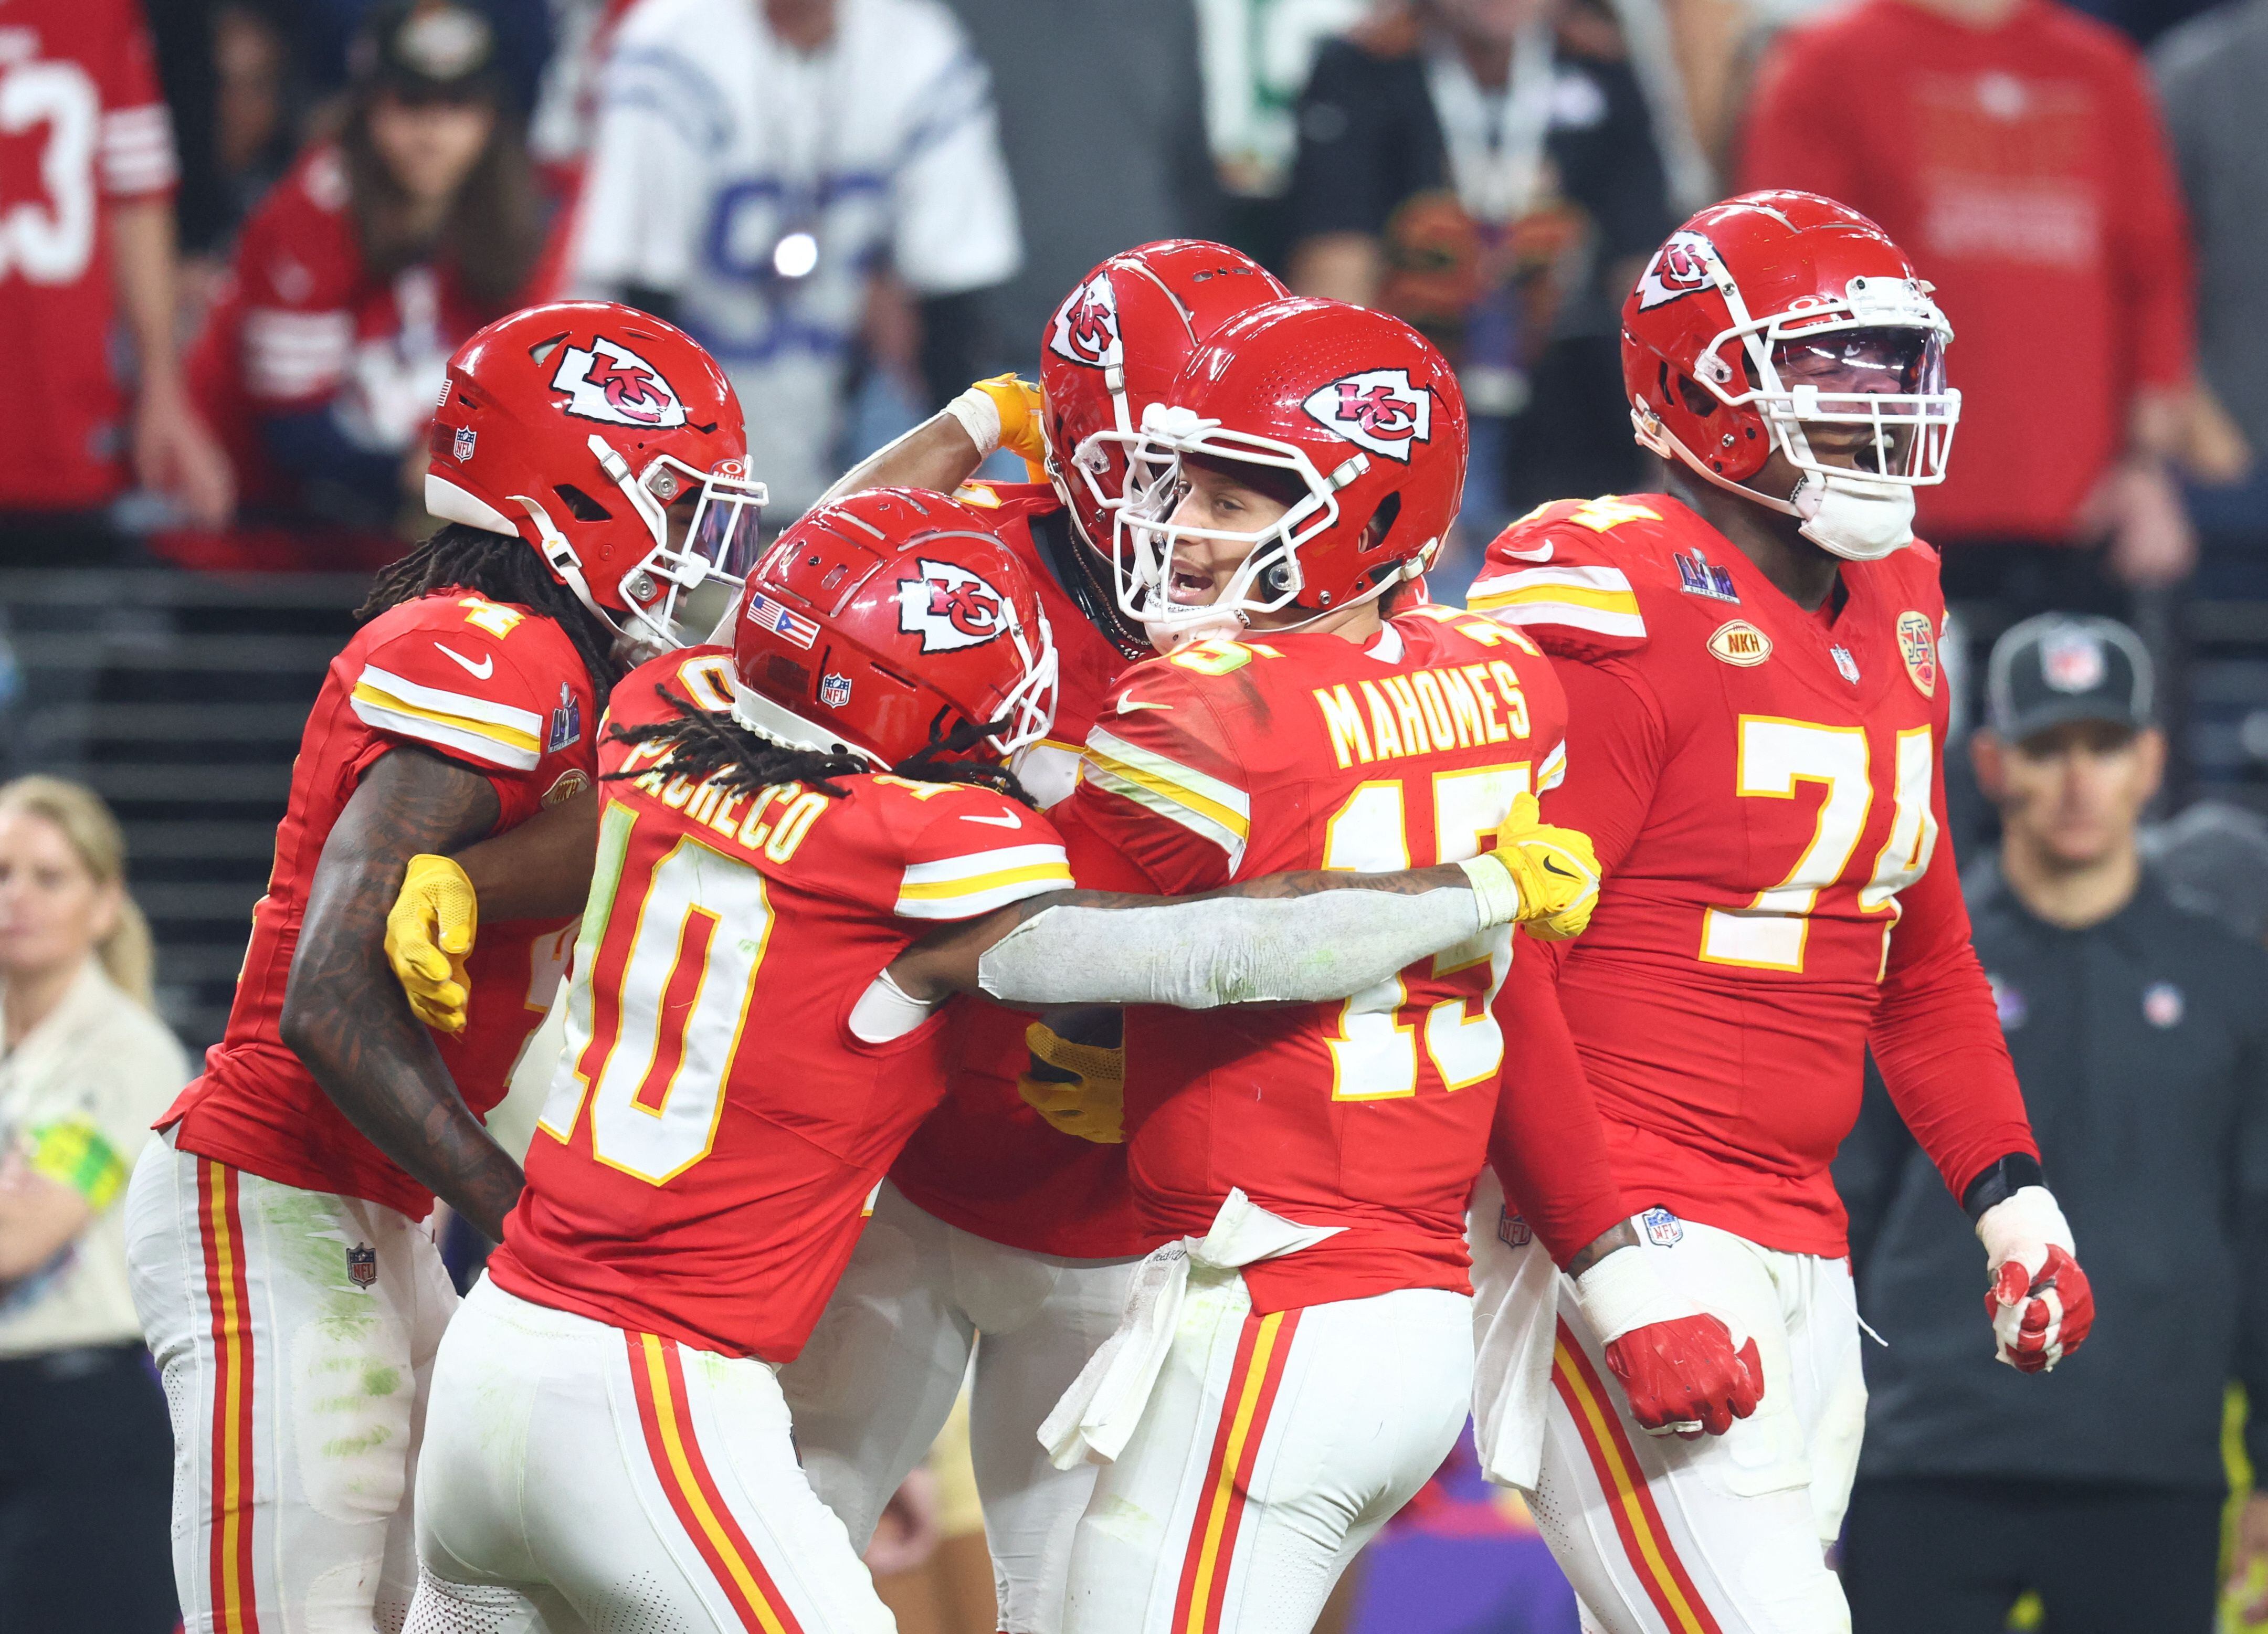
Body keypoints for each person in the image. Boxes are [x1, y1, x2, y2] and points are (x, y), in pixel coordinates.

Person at [391, 484, 1605, 1631]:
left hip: (497, 1349)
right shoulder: (918, 850)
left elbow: (800, 584)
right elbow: (1214, 950)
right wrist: (1474, 886)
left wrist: (967, 427)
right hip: (653, 1394)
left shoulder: (662, 715)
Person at [1037, 294, 1759, 1631]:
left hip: (1265, 1304)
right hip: (1409, 1314)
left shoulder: (1195, 719)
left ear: (1370, 514)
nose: (1187, 526)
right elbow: (1516, 996)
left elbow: (1002, 929)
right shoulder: (1501, 682)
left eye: (1243, 495)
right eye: (1186, 480)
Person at [1461, 192, 2091, 1633]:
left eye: (1892, 368)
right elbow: (1495, 966)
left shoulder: (1905, 595)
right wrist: (1615, 1268)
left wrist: (2012, 1199)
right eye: (1830, 367)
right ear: (1699, 384)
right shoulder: (1609, 592)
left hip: (1804, 1239)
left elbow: (1918, 962)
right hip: (1624, 1210)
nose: (1877, 408)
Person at [122, 299, 764, 1634]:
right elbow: (328, 995)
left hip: (379, 1210)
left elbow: (758, 704)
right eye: (680, 497)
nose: (701, 539)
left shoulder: (567, 665)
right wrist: (529, 1218)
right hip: (277, 1193)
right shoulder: (486, 649)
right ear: (584, 483)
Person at [1833, 613, 2268, 1633]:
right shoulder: (1910, 971)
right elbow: (1841, 1206)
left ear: (2150, 759)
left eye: (2104, 744)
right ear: (1990, 762)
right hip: (1928, 1450)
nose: (2079, 780)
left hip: (2148, 1457)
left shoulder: (2230, 976)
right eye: (2046, 746)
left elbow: (2259, 1226)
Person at [1738, 0, 2203, 631]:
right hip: (1881, 508)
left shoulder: (2102, 69)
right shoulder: (1828, 62)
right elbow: (1781, 277)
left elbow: (2153, 272)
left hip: (2088, 517)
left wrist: (2148, 470)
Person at [569, 0, 1022, 518]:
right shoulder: (672, 39)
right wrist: (667, 481)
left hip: (827, 438)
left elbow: (954, 292)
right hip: (671, 448)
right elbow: (640, 300)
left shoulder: (915, 45)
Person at [1284, 0, 1674, 534]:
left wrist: (1676, 450)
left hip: (1571, 420)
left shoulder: (1601, 67)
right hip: (1407, 417)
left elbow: (1653, 287)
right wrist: (1354, 473)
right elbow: (1335, 284)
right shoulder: (1363, 65)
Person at [184, 0, 547, 557]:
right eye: (410, 102)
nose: (433, 130)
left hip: (395, 551)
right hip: (262, 549)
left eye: (458, 105)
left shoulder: (507, 213)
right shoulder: (311, 210)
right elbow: (292, 436)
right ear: (368, 107)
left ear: (492, 116)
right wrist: (435, 475)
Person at [0, 777, 190, 1634]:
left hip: (78, 1421)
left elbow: (21, 1234)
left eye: (50, 876)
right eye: (3, 872)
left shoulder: (127, 1052)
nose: (18, 898)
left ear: (106, 903)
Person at [0, 0, 233, 563]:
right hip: (56, 408)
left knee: (65, 631)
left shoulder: (99, 12)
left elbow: (139, 194)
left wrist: (162, 386)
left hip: (61, 415)